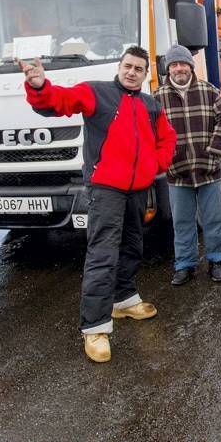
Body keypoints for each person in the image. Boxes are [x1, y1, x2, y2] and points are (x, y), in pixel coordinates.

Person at [18, 46, 176, 363]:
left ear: (146, 76)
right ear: (119, 67)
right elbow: (59, 102)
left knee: (133, 244)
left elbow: (167, 138)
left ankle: (124, 299)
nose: (132, 72)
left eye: (139, 69)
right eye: (128, 66)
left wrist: (155, 164)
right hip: (106, 188)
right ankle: (95, 328)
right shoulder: (96, 93)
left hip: (137, 188)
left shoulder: (149, 104)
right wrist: (39, 87)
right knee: (103, 253)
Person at [155, 45, 221, 285]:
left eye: (183, 63)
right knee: (182, 221)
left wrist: (214, 152)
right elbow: (150, 132)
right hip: (177, 173)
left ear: (190, 66)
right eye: (174, 64)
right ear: (168, 69)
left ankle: (216, 260)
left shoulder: (208, 91)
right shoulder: (157, 98)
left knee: (213, 218)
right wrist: (164, 160)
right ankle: (185, 265)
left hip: (208, 169)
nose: (179, 68)